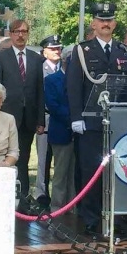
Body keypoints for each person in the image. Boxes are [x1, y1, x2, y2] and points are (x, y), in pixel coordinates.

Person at [67, 2, 127, 235]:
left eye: (109, 21)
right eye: (101, 20)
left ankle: (116, 215)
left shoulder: (123, 51)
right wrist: (76, 117)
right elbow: (74, 86)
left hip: (118, 124)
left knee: (117, 172)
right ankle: (91, 217)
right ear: (94, 24)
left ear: (114, 24)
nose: (105, 24)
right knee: (91, 171)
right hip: (91, 122)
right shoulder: (82, 51)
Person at [0, 20, 44, 203]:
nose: (21, 35)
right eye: (17, 31)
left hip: (29, 118)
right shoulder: (2, 57)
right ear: (11, 33)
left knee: (23, 159)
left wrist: (40, 120)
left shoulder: (36, 58)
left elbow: (40, 90)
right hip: (6, 118)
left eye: (24, 31)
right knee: (5, 159)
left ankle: (21, 201)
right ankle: (3, 198)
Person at [34, 35, 62, 207]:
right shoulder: (39, 69)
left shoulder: (65, 67)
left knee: (61, 159)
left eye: (58, 48)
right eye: (53, 48)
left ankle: (61, 196)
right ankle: (41, 194)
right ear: (44, 51)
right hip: (45, 118)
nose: (57, 51)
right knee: (43, 159)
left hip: (62, 120)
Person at [44, 55, 75, 210]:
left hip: (79, 135)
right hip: (61, 131)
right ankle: (57, 207)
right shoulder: (51, 80)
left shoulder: (79, 79)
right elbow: (53, 105)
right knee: (60, 173)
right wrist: (74, 118)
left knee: (74, 174)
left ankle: (73, 207)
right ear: (66, 61)